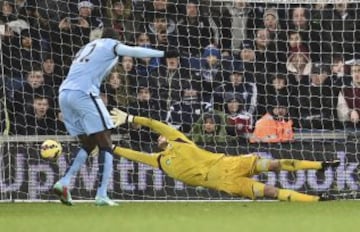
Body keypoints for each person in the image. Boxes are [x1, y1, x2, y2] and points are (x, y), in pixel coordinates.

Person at [53, 27, 176, 206]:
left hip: (64, 94)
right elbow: (134, 51)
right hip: (84, 93)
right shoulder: (110, 44)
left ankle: (64, 182)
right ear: (117, 39)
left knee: (88, 142)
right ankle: (102, 194)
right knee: (106, 141)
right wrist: (164, 53)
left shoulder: (87, 47)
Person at [110, 108, 340, 202]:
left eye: (161, 136)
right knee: (270, 191)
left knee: (274, 164)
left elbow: (154, 123)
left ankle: (320, 164)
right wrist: (110, 148)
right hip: (226, 182)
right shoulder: (159, 161)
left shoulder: (179, 138)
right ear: (157, 146)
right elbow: (132, 155)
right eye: (158, 139)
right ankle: (316, 200)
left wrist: (130, 118)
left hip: (231, 162)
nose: (160, 137)